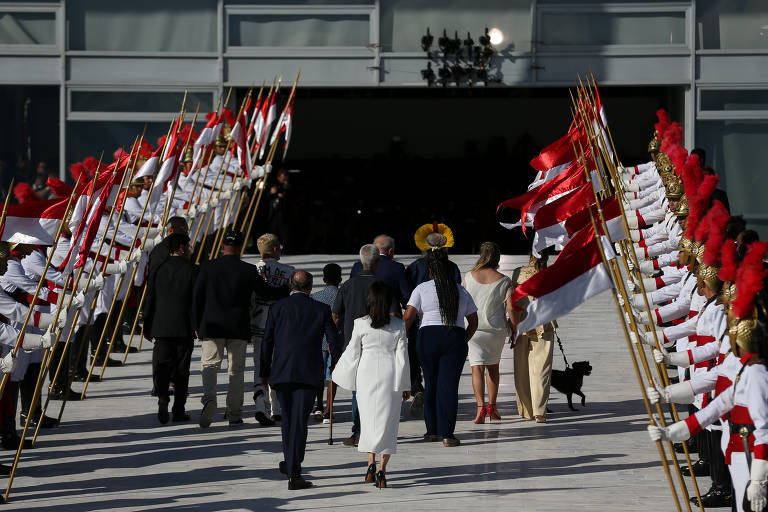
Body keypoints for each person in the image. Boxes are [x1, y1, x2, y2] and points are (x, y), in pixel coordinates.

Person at [260, 270, 342, 490]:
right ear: (310, 286)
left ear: (290, 284)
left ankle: (291, 462)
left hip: (282, 371)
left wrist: (264, 371)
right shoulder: (321, 309)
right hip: (308, 371)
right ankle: (294, 470)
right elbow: (333, 339)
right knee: (298, 421)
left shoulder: (277, 308)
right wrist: (336, 364)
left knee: (288, 420)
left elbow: (267, 340)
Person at [192, 230, 280, 428]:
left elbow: (197, 297)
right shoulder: (248, 270)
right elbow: (265, 293)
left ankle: (209, 398)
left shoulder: (207, 267)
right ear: (240, 248)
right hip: (238, 325)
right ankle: (234, 413)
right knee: (236, 371)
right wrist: (288, 287)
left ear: (222, 246)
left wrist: (196, 324)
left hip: (212, 324)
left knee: (209, 366)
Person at [332, 281, 410, 489]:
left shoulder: (360, 323)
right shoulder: (399, 325)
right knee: (388, 423)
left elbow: (352, 352)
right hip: (389, 373)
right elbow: (402, 357)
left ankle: (370, 465)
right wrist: (404, 384)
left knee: (368, 421)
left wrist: (339, 372)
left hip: (366, 374)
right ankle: (382, 471)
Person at [403, 249, 478, 447]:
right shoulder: (460, 291)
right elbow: (474, 321)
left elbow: (408, 317)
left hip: (427, 337)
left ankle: (432, 431)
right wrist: (463, 339)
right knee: (449, 386)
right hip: (454, 337)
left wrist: (401, 339)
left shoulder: (422, 289)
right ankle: (447, 434)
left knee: (431, 383)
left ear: (430, 272)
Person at [333, 244, 400, 447]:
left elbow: (335, 316)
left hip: (353, 344)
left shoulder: (347, 285)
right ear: (377, 263)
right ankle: (372, 429)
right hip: (379, 344)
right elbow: (395, 314)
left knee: (357, 390)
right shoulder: (383, 286)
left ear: (361, 262)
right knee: (379, 390)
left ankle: (358, 430)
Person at [405, 223, 461, 418]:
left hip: (420, 323)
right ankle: (437, 396)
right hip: (447, 323)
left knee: (415, 357)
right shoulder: (452, 267)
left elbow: (407, 296)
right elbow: (457, 292)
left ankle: (418, 388)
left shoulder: (413, 268)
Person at [143, 233, 198, 424]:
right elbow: (195, 302)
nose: (190, 250)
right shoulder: (191, 269)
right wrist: (196, 326)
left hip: (161, 326)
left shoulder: (159, 269)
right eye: (188, 246)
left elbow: (150, 298)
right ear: (182, 248)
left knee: (162, 366)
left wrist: (147, 325)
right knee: (182, 370)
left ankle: (163, 397)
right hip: (183, 327)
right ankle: (178, 408)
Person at [463, 242, 513, 424]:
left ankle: (480, 408)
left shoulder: (468, 276)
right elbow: (510, 308)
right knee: (493, 369)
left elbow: (462, 301)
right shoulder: (505, 280)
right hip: (496, 331)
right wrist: (514, 329)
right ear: (497, 257)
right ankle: (492, 407)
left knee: (476, 368)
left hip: (473, 330)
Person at [251, 233, 293, 425]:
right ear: (275, 250)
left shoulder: (254, 271)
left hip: (259, 324)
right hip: (281, 326)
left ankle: (261, 405)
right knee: (278, 366)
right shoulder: (289, 271)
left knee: (260, 366)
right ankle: (277, 408)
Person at [511, 251, 556, 424]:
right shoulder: (551, 273)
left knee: (521, 368)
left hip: (521, 321)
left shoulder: (517, 272)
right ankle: (540, 412)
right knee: (542, 369)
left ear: (530, 256)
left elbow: (512, 297)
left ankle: (526, 409)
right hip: (544, 323)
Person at [309, 263, 342, 422]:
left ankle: (319, 405)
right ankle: (329, 408)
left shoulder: (315, 297)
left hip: (318, 340)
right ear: (340, 279)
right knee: (332, 376)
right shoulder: (343, 296)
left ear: (323, 279)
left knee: (318, 374)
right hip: (336, 341)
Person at [350, 235, 411, 308]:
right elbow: (406, 295)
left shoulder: (357, 266)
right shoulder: (397, 267)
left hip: (361, 313)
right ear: (390, 251)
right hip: (388, 314)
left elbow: (351, 291)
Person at [267, 169, 292, 253]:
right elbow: (269, 195)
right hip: (274, 212)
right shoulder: (274, 185)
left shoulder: (288, 186)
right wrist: (272, 192)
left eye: (285, 177)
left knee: (284, 231)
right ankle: (273, 249)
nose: (283, 179)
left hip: (284, 212)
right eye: (281, 177)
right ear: (278, 177)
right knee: (273, 231)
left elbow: (287, 192)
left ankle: (285, 249)